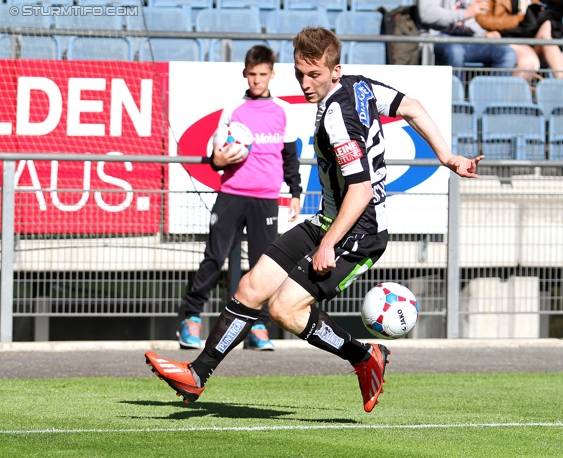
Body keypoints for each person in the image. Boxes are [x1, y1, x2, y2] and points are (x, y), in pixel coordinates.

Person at [145, 26, 484, 412]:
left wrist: (328, 244)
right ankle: (197, 375)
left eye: (314, 75)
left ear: (335, 71)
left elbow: (361, 190)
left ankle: (363, 356)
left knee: (284, 309)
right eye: (299, 74)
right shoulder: (360, 87)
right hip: (328, 220)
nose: (305, 83)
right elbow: (413, 106)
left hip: (359, 233)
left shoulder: (338, 117)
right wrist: (446, 155)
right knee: (252, 286)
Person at [176, 45, 302, 351]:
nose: (257, 80)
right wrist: (217, 162)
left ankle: (257, 327)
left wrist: (296, 191)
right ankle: (191, 318)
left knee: (264, 266)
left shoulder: (283, 110)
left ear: (272, 74)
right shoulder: (234, 108)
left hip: (266, 199)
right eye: (252, 74)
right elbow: (216, 153)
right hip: (231, 194)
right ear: (245, 74)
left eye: (263, 74)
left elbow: (289, 157)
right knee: (214, 257)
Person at [476, 0, 563, 80]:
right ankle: (511, 102)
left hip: (529, 36)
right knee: (527, 61)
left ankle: (562, 79)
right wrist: (520, 19)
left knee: (548, 26)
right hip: (504, 37)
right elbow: (482, 19)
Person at [417, 0, 518, 80]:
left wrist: (482, 33)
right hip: (436, 37)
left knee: (507, 53)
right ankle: (457, 100)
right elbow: (427, 14)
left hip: (466, 38)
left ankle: (489, 101)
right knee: (455, 51)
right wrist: (465, 13)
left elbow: (471, 19)